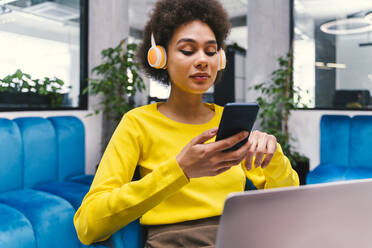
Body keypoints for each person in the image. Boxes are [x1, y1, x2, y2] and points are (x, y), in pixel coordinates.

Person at [74, 0, 299, 247]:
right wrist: (180, 170)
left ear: (220, 59)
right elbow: (89, 225)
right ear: (160, 57)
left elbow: (290, 205)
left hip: (237, 236)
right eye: (188, 50)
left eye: (211, 51)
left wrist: (273, 157)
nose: (203, 60)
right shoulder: (138, 123)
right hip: (174, 241)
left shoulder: (230, 121)